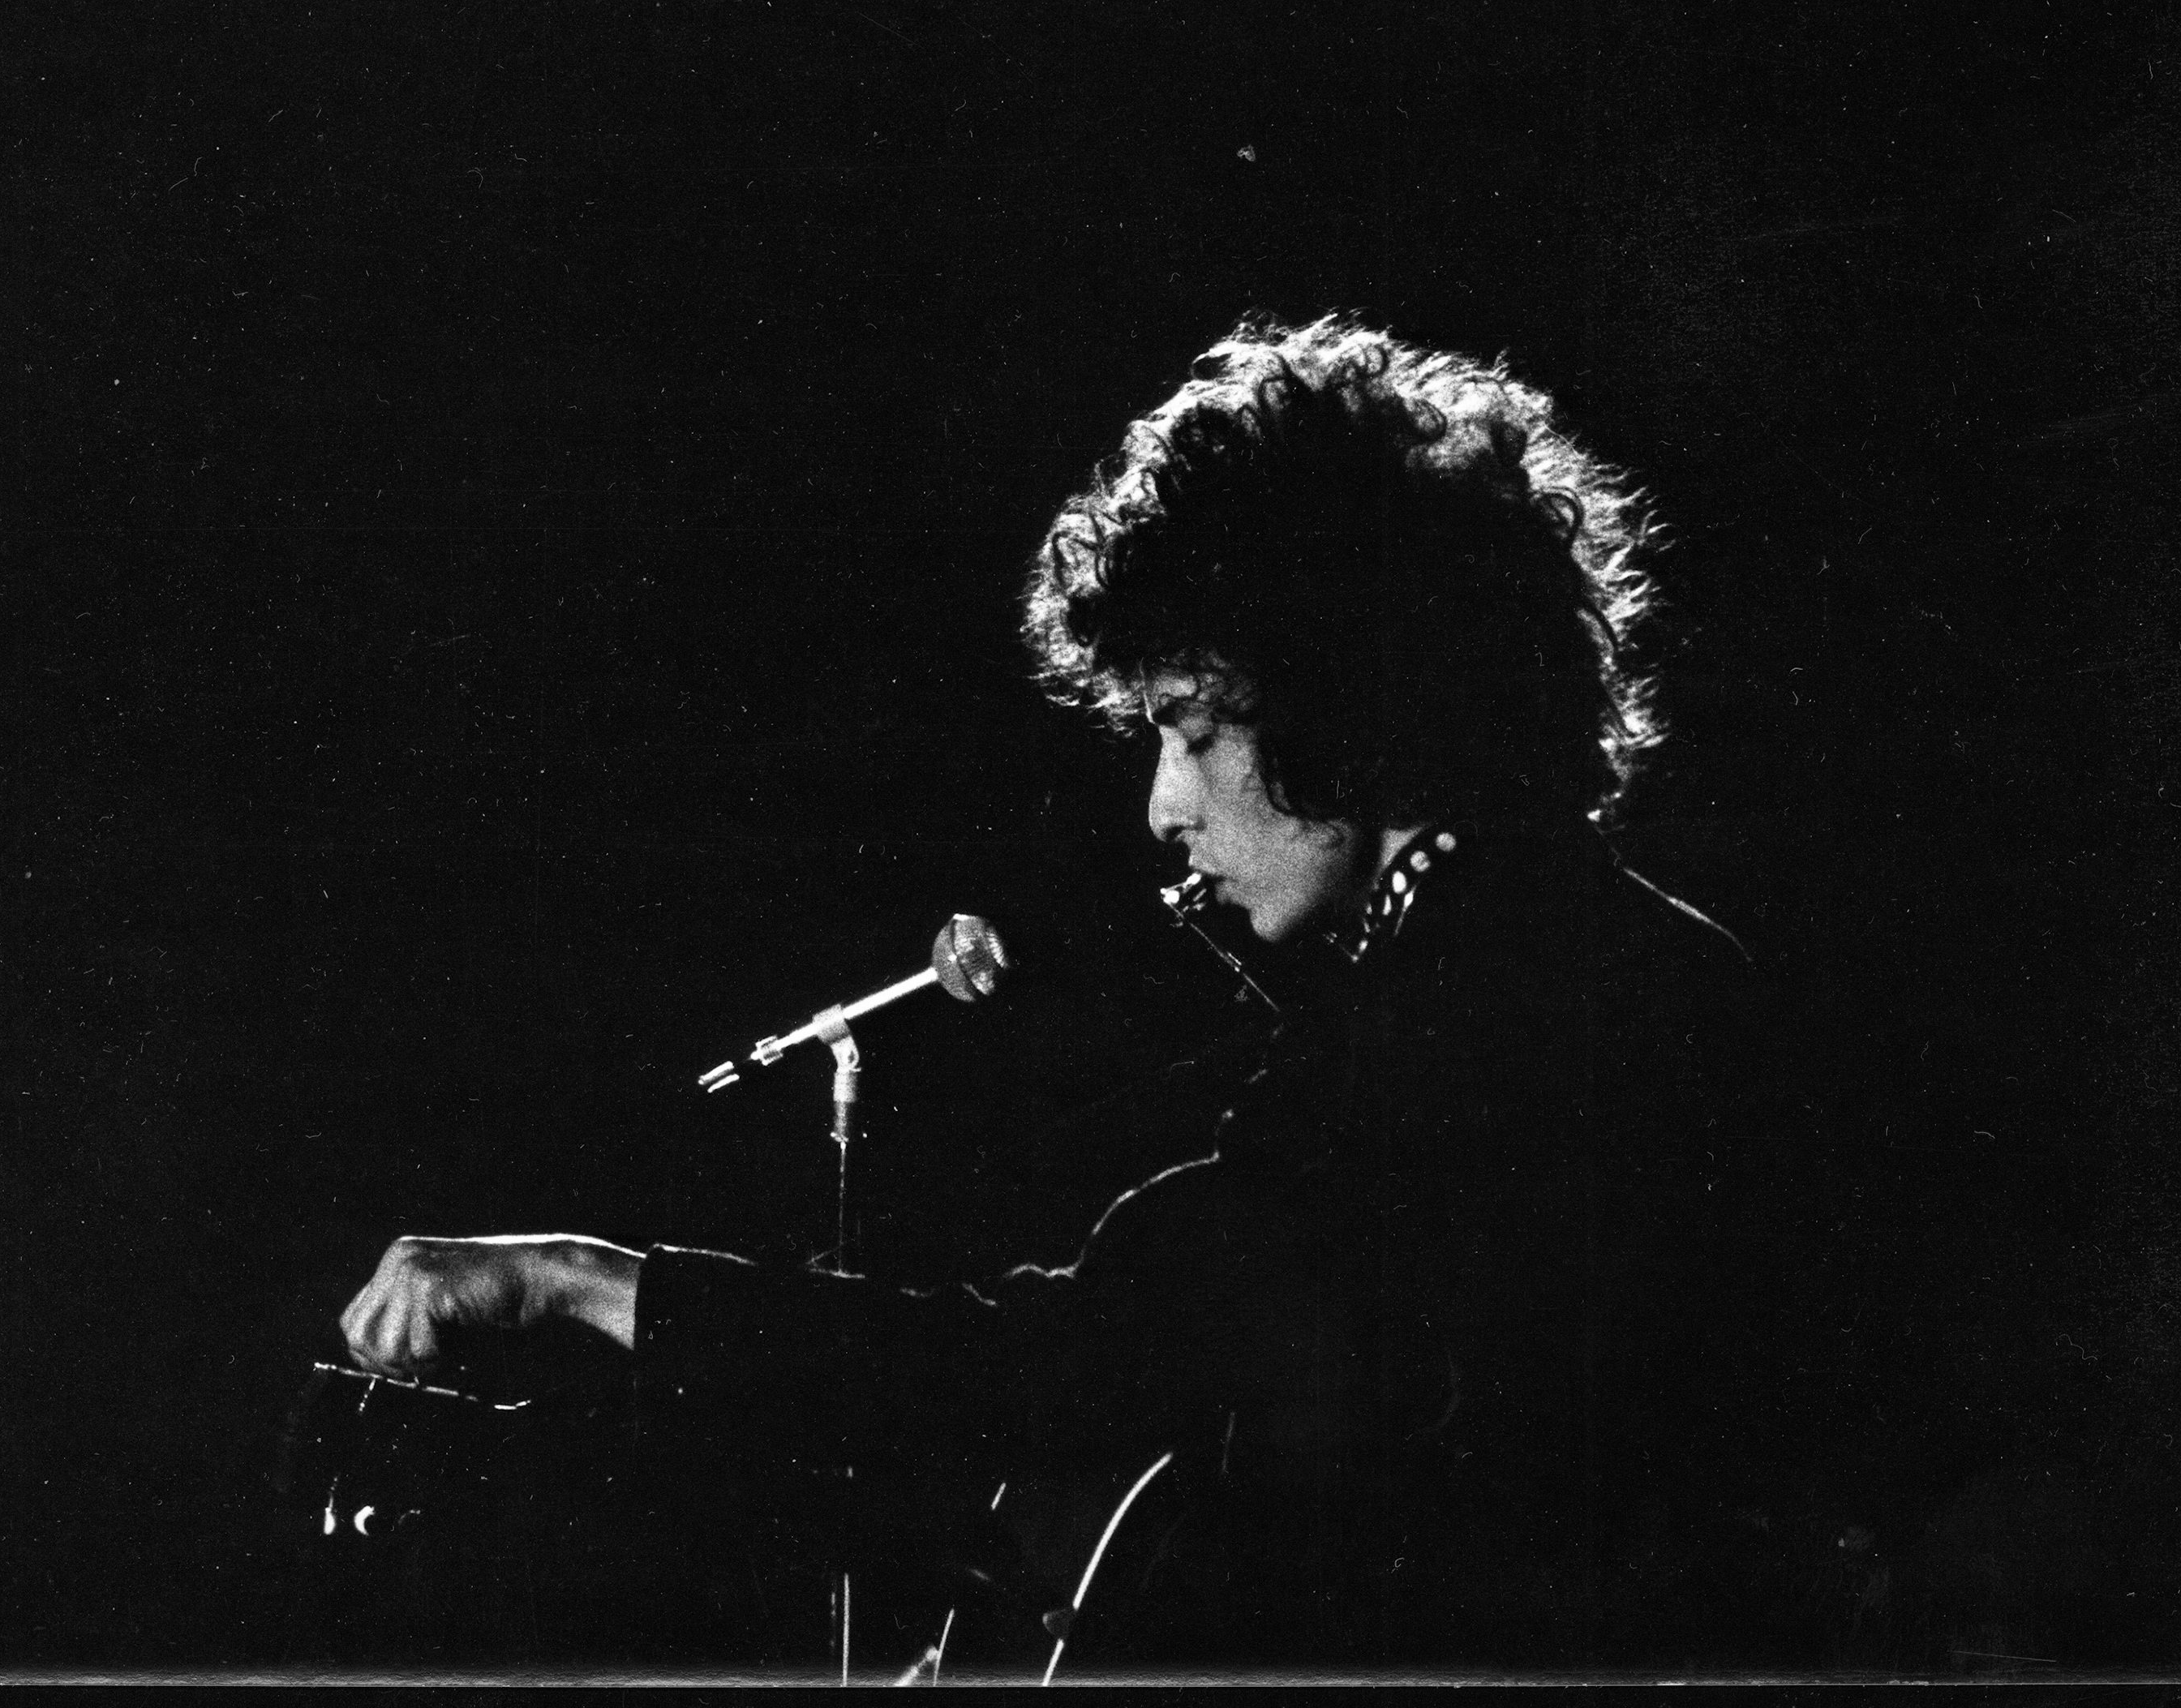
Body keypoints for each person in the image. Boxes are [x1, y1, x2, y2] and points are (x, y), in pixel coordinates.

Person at [340, 315, 1762, 1668]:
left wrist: (572, 1281)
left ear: (1346, 691)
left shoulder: (1461, 1016)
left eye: (1190, 733)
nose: (1163, 807)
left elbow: (1054, 1367)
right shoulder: (1573, 956)